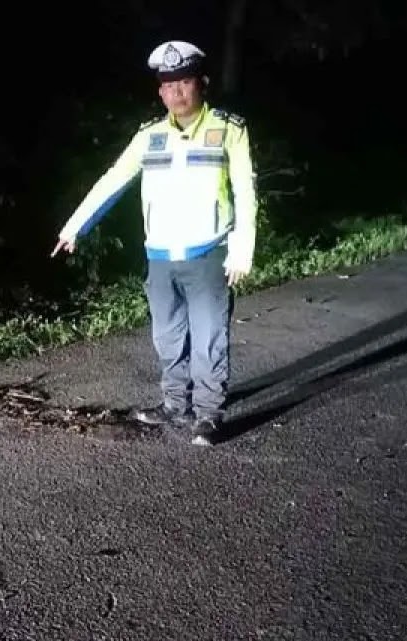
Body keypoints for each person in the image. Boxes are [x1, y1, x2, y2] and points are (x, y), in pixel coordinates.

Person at [50, 40, 258, 447]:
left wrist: (242, 249)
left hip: (208, 253)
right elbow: (114, 178)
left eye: (184, 82)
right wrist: (75, 227)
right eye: (167, 84)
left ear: (202, 83)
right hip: (160, 257)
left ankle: (209, 414)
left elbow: (246, 191)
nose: (176, 92)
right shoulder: (150, 136)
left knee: (209, 336)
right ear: (159, 91)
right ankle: (175, 403)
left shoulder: (229, 129)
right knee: (168, 336)